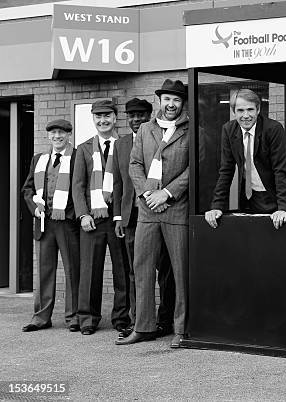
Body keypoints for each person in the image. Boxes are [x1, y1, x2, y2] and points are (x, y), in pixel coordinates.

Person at [117, 79, 189, 348]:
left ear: (182, 104)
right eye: (167, 99)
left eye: (176, 100)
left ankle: (182, 328)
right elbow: (134, 163)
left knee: (180, 271)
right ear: (160, 101)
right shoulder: (147, 129)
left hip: (175, 208)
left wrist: (166, 193)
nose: (171, 105)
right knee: (142, 268)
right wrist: (147, 193)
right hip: (147, 208)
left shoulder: (191, 130)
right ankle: (143, 327)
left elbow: (193, 169)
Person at [113, 98, 175, 339]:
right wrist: (119, 215)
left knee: (165, 272)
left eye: (141, 114)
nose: (136, 119)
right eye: (132, 115)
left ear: (150, 114)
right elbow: (118, 182)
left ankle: (164, 320)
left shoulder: (160, 136)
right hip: (131, 218)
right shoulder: (121, 145)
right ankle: (139, 320)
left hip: (160, 212)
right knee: (135, 272)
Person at [205, 89, 286, 229]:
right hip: (251, 200)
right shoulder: (228, 130)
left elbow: (280, 169)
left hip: (280, 198)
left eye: (250, 109)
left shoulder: (273, 129)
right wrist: (217, 206)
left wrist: (284, 208)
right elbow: (226, 170)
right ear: (234, 112)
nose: (246, 115)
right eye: (240, 110)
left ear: (258, 110)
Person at [72, 100, 131, 335]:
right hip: (92, 219)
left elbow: (128, 184)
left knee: (122, 271)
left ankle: (121, 318)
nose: (103, 120)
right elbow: (78, 186)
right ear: (93, 119)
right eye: (98, 117)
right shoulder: (84, 148)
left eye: (107, 116)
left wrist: (123, 216)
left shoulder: (126, 145)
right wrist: (83, 214)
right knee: (89, 271)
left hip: (117, 218)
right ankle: (87, 319)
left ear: (115, 118)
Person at [21, 119, 80, 332]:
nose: (57, 136)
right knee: (45, 271)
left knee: (73, 269)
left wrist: (71, 214)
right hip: (44, 223)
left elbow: (80, 188)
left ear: (68, 135)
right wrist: (33, 206)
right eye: (54, 133)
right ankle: (41, 317)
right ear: (48, 136)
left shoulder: (76, 157)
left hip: (67, 223)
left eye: (62, 133)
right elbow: (28, 189)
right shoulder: (39, 159)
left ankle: (73, 317)